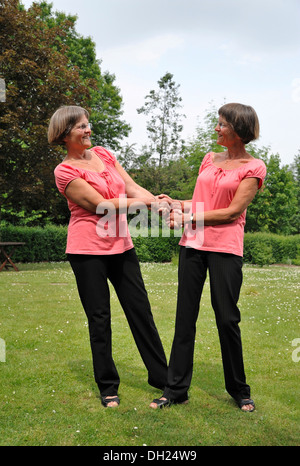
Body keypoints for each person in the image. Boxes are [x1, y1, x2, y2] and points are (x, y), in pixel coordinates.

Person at [48, 105, 168, 408]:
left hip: (122, 246)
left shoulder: (103, 154)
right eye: (81, 127)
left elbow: (130, 187)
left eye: (88, 124)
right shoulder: (65, 171)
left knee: (141, 311)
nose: (88, 130)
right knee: (99, 319)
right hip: (87, 251)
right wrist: (146, 205)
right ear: (64, 134)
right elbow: (102, 205)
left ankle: (163, 377)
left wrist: (154, 200)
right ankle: (107, 385)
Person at [150, 103, 267, 412]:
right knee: (184, 318)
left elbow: (231, 211)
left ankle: (239, 390)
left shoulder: (253, 167)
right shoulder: (208, 159)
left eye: (222, 124)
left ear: (239, 130)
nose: (216, 129)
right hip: (193, 245)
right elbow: (200, 201)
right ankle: (175, 389)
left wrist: (188, 218)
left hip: (225, 248)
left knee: (227, 318)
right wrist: (177, 202)